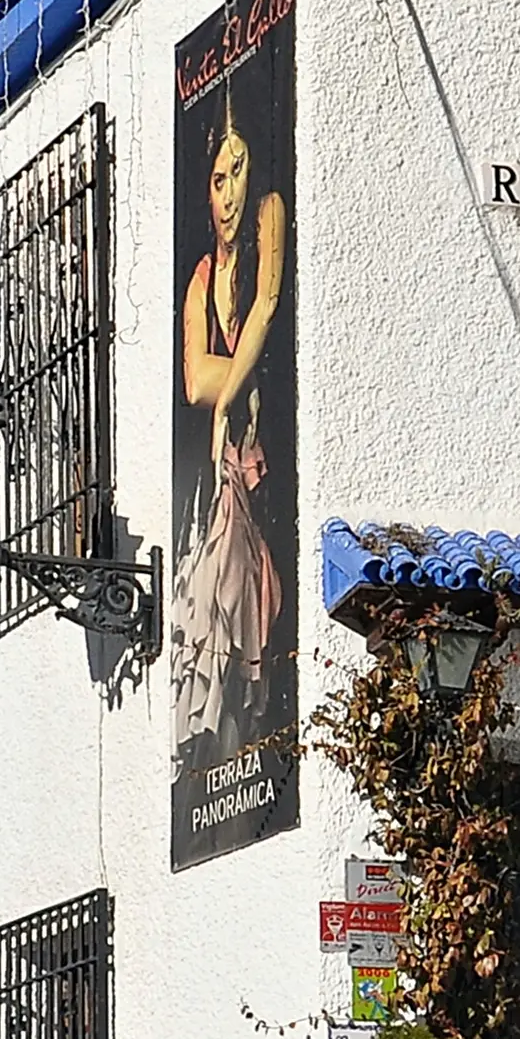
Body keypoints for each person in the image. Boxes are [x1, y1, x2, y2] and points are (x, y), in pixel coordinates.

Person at [173, 99, 288, 748]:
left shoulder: (270, 212)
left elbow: (267, 306)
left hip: (257, 458)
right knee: (216, 599)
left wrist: (228, 395)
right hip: (224, 468)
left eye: (237, 172)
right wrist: (228, 391)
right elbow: (194, 381)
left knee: (242, 595)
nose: (228, 193)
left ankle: (242, 716)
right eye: (218, 179)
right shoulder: (199, 277)